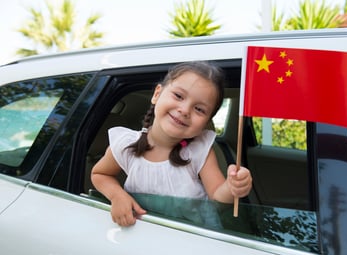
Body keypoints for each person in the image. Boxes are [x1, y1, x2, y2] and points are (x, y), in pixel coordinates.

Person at [91, 61, 253, 227]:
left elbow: (217, 198)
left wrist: (232, 188)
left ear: (205, 123)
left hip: (195, 239)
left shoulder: (199, 151)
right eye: (179, 96)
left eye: (199, 109)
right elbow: (100, 174)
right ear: (157, 94)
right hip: (144, 236)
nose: (184, 110)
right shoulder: (126, 144)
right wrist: (117, 195)